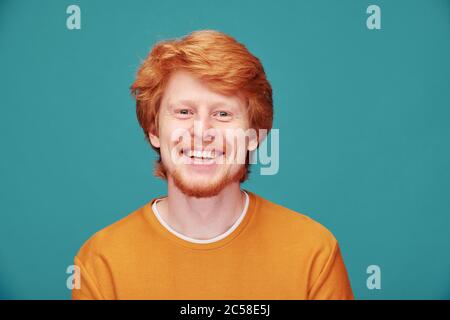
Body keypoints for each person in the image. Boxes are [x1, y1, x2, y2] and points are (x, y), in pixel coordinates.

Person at [72, 30, 354, 300]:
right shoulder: (101, 261)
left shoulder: (313, 252)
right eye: (184, 112)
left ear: (254, 135)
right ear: (154, 131)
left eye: (222, 113)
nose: (202, 132)